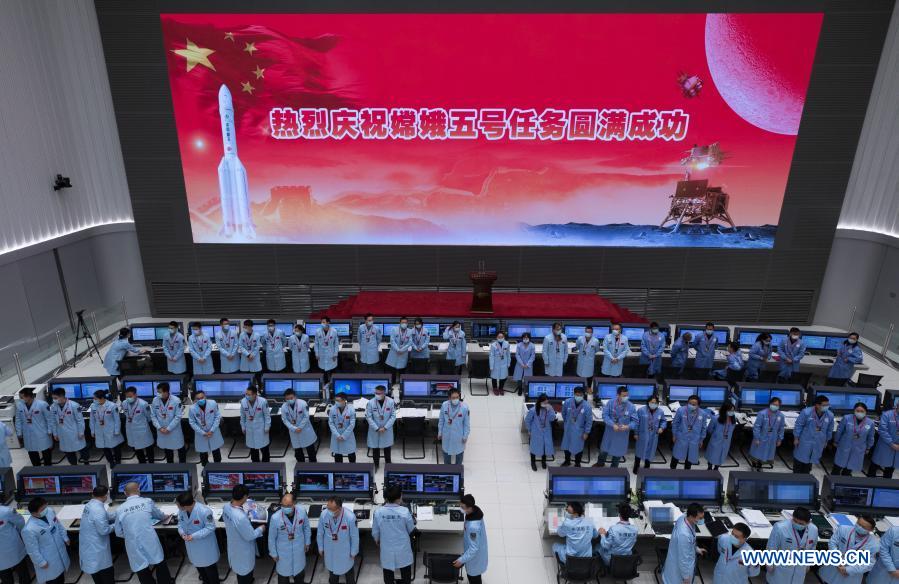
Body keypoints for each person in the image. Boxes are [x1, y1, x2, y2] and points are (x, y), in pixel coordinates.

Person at [114, 482, 172, 584]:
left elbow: (118, 532)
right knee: (159, 562)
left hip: (133, 543)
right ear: (139, 490)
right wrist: (166, 516)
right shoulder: (147, 502)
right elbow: (160, 516)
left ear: (124, 493)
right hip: (149, 539)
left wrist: (131, 535)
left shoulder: (119, 509)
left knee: (141, 568)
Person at [223, 484, 266, 584]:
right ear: (245, 497)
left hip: (234, 545)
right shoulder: (240, 517)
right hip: (243, 549)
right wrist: (261, 529)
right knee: (244, 573)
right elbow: (250, 536)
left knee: (240, 569)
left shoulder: (226, 507)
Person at [372, 485, 415, 584]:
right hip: (403, 549)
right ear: (399, 498)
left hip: (387, 549)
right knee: (405, 573)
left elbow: (375, 532)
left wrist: (377, 541)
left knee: (388, 573)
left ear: (386, 498)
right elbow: (411, 530)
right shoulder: (405, 511)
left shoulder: (378, 512)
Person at [819, 515, 878, 584]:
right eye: (858, 524)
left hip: (852, 574)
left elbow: (870, 564)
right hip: (834, 566)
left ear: (870, 530)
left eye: (863, 527)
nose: (859, 527)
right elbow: (832, 542)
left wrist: (848, 570)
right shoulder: (843, 529)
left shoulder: (874, 544)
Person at [22, 497, 70, 584]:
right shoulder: (29, 529)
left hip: (59, 552)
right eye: (43, 509)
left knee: (61, 578)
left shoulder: (50, 512)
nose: (46, 510)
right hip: (48, 560)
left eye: (45, 507)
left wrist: (65, 537)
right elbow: (32, 550)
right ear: (34, 513)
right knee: (53, 580)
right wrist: (41, 562)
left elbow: (58, 525)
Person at [176, 491, 220, 584]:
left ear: (186, 506)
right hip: (191, 546)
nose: (178, 508)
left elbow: (210, 527)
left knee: (210, 570)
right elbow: (180, 523)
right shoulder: (182, 511)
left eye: (179, 506)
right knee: (199, 568)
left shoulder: (204, 511)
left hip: (205, 547)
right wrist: (182, 533)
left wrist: (193, 536)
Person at [766, 507, 818, 584]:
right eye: (795, 521)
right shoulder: (780, 527)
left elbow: (813, 547)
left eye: (801, 524)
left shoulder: (814, 529)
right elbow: (771, 546)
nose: (797, 524)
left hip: (800, 568)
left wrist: (808, 563)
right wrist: (769, 564)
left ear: (808, 522)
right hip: (781, 568)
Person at [268, 493, 311, 584]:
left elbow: (306, 527)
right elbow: (271, 538)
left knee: (299, 576)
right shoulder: (275, 518)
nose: (285, 508)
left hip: (299, 549)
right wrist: (273, 553)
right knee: (283, 577)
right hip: (283, 553)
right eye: (283, 505)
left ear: (294, 503)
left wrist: (307, 542)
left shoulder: (302, 512)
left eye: (288, 506)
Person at [317, 495, 359, 584]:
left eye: (331, 509)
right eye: (328, 508)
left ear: (339, 508)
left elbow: (354, 536)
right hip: (330, 550)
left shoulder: (350, 517)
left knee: (349, 575)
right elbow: (320, 532)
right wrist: (320, 547)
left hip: (345, 551)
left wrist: (354, 552)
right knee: (332, 575)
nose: (329, 511)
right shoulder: (324, 514)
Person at [79, 486, 116, 584]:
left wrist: (119, 513)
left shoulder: (90, 504)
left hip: (89, 545)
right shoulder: (98, 509)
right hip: (97, 548)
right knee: (105, 574)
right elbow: (104, 530)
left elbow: (105, 516)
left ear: (93, 494)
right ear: (106, 496)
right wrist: (116, 524)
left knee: (96, 572)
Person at [662, 502, 705, 584]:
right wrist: (686, 577)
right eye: (700, 518)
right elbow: (683, 559)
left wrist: (696, 549)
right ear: (692, 517)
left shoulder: (684, 518)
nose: (702, 520)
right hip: (679, 570)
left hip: (677, 560)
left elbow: (689, 542)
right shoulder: (684, 534)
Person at [595, 385, 636, 468]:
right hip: (610, 432)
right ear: (618, 395)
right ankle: (600, 463)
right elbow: (605, 415)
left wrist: (628, 426)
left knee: (618, 452)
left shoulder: (631, 406)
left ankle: (614, 468)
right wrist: (612, 424)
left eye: (627, 395)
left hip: (622, 434)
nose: (626, 397)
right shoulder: (610, 403)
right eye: (624, 396)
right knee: (604, 450)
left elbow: (635, 421)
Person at [793, 395, 834, 473]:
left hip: (819, 441)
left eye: (828, 405)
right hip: (805, 440)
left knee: (810, 459)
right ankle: (796, 476)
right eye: (824, 405)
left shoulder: (830, 415)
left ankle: (806, 477)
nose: (827, 407)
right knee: (799, 460)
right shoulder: (806, 412)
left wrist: (826, 441)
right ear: (817, 405)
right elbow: (798, 425)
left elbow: (829, 429)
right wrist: (796, 438)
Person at [832, 402, 875, 476]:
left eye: (862, 411)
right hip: (844, 445)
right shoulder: (847, 418)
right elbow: (839, 431)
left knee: (849, 468)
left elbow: (871, 437)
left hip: (858, 448)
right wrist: (836, 441)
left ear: (866, 412)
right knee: (837, 467)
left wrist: (868, 448)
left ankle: (844, 483)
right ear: (854, 411)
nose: (859, 413)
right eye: (857, 411)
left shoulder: (870, 423)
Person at [453, 494, 488, 584]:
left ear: (469, 508)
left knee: (474, 578)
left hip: (474, 559)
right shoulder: (475, 511)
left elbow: (473, 549)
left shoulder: (473, 527)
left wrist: (461, 560)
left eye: (462, 507)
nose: (461, 508)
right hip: (476, 551)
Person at [14, 387, 53, 466]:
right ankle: (36, 469)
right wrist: (19, 432)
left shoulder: (42, 404)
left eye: (22, 397)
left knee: (46, 452)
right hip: (28, 434)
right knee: (32, 453)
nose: (21, 399)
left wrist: (50, 430)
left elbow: (49, 418)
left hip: (41, 432)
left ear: (29, 396)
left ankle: (48, 469)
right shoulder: (19, 405)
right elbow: (18, 420)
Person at [49, 386, 88, 464]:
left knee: (82, 449)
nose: (54, 400)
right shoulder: (53, 407)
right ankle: (74, 466)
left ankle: (86, 463)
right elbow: (53, 421)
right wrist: (55, 433)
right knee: (68, 451)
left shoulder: (74, 405)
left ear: (62, 396)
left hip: (75, 432)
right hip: (62, 433)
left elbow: (80, 420)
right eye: (53, 398)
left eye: (55, 398)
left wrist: (81, 432)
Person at [150, 382, 186, 462]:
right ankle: (170, 466)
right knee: (167, 449)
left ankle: (183, 466)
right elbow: (153, 416)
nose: (158, 394)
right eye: (157, 392)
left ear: (166, 392)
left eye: (160, 392)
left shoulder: (176, 401)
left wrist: (168, 428)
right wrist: (159, 428)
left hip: (174, 430)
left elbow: (178, 416)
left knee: (180, 448)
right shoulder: (155, 400)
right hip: (161, 430)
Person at [670, 394, 707, 469]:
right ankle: (672, 470)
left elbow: (704, 428)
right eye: (690, 404)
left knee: (690, 457)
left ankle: (687, 472)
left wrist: (701, 439)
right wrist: (674, 435)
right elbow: (675, 424)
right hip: (681, 437)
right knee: (676, 455)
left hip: (694, 439)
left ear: (698, 405)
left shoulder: (703, 414)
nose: (691, 405)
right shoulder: (681, 410)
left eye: (694, 404)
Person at [596, 503, 638, 568]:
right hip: (627, 559)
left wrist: (602, 534)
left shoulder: (613, 529)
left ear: (619, 514)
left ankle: (599, 567)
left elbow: (605, 546)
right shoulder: (635, 529)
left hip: (612, 560)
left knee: (597, 547)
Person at [189, 388, 224, 465]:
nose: (200, 400)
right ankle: (205, 468)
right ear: (194, 400)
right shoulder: (192, 408)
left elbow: (217, 417)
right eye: (198, 399)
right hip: (201, 433)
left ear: (205, 397)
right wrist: (202, 433)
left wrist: (212, 430)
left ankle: (218, 467)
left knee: (216, 450)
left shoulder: (212, 403)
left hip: (213, 431)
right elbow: (192, 422)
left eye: (202, 397)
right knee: (203, 452)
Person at [281, 387, 317, 462]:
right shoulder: (284, 407)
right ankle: (301, 466)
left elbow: (306, 416)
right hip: (293, 431)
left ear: (295, 396)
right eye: (287, 399)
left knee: (310, 450)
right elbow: (285, 420)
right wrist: (293, 428)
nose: (289, 400)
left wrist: (300, 427)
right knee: (298, 452)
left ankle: (313, 466)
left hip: (305, 430)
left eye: (291, 398)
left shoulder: (303, 403)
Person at [749, 397, 785, 470]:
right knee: (756, 452)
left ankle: (760, 466)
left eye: (777, 405)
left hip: (772, 438)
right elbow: (757, 427)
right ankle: (753, 465)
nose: (775, 406)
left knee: (765, 454)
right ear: (770, 404)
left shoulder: (781, 416)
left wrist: (780, 439)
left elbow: (781, 428)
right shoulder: (762, 413)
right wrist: (757, 438)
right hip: (761, 437)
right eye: (773, 404)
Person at [89, 389, 123, 465]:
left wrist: (117, 430)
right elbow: (92, 420)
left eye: (95, 398)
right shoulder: (93, 406)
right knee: (104, 447)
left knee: (115, 447)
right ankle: (111, 462)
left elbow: (117, 420)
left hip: (111, 430)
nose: (94, 400)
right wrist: (92, 431)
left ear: (102, 398)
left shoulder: (112, 406)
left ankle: (118, 461)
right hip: (99, 430)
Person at [122, 386, 155, 463]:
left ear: (135, 395)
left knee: (148, 447)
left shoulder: (143, 404)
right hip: (130, 429)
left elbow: (149, 417)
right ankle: (142, 463)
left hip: (142, 430)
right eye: (127, 396)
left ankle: (151, 464)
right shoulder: (124, 403)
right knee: (137, 449)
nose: (128, 398)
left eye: (130, 396)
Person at [560, 386, 592, 467]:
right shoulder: (567, 402)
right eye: (577, 395)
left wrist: (586, 432)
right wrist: (567, 422)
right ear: (574, 394)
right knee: (566, 446)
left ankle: (577, 463)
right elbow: (563, 413)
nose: (578, 397)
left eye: (580, 395)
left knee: (578, 447)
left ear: (583, 395)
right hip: (568, 428)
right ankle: (567, 461)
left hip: (579, 431)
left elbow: (589, 421)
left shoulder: (587, 406)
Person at [633, 395, 666, 473]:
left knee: (650, 451)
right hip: (642, 434)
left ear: (658, 403)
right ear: (648, 402)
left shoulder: (660, 411)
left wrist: (662, 428)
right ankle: (636, 466)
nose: (653, 404)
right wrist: (635, 433)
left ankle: (647, 467)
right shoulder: (641, 410)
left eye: (655, 402)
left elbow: (663, 421)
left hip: (654, 435)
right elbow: (636, 423)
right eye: (652, 402)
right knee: (639, 451)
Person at [366, 385, 396, 469]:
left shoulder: (391, 402)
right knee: (375, 448)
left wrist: (385, 427)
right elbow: (368, 417)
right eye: (376, 393)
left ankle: (388, 464)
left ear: (384, 393)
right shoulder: (370, 402)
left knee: (387, 448)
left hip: (386, 429)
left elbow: (393, 416)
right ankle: (376, 465)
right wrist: (377, 428)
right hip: (374, 429)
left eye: (379, 393)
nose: (377, 395)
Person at [869, 396, 899, 478]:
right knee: (875, 464)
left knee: (890, 467)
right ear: (897, 406)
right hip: (885, 445)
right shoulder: (887, 415)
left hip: (898, 448)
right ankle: (870, 481)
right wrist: (892, 444)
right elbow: (882, 430)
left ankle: (886, 485)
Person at [438, 388, 470, 464]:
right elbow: (441, 420)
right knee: (446, 453)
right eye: (453, 398)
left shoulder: (465, 408)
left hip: (458, 435)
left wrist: (465, 436)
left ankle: (457, 471)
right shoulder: (444, 405)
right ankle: (448, 471)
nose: (456, 399)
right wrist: (440, 432)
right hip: (447, 434)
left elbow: (466, 424)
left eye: (457, 397)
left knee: (459, 454)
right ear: (449, 398)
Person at [0, 498, 28, 584]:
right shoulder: (5, 511)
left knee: (5, 578)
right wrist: (21, 534)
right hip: (13, 549)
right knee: (23, 573)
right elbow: (21, 523)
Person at [241, 385, 271, 462]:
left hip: (261, 428)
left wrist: (267, 427)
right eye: (246, 394)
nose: (247, 396)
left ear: (255, 394)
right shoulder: (243, 401)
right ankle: (255, 464)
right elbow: (242, 416)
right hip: (249, 428)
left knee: (264, 448)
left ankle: (266, 464)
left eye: (249, 394)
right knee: (253, 448)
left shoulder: (263, 401)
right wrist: (243, 427)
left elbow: (267, 416)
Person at [525, 394, 554, 471]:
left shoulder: (549, 409)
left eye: (546, 403)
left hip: (546, 431)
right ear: (540, 402)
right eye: (544, 403)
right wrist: (529, 430)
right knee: (534, 447)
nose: (545, 404)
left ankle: (543, 461)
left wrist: (550, 410)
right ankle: (533, 462)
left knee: (544, 447)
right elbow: (527, 420)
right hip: (536, 431)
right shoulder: (533, 410)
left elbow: (552, 418)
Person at [704, 400, 736, 470]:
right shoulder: (716, 418)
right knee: (712, 454)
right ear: (724, 410)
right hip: (716, 440)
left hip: (726, 441)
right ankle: (709, 467)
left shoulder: (733, 419)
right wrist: (716, 435)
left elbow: (732, 429)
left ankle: (716, 468)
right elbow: (709, 429)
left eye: (733, 411)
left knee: (721, 455)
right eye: (730, 410)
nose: (732, 412)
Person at [329, 392, 357, 463]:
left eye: (338, 400)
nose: (336, 402)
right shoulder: (332, 409)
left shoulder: (351, 410)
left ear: (344, 400)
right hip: (336, 435)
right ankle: (339, 471)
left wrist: (344, 436)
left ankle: (353, 469)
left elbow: (352, 424)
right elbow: (331, 423)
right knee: (338, 454)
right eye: (336, 400)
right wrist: (337, 435)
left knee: (351, 453)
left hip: (348, 435)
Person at [385, 317, 412, 384]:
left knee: (402, 372)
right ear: (399, 323)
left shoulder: (410, 331)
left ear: (407, 323)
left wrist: (402, 350)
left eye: (405, 323)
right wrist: (397, 349)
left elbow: (410, 342)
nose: (404, 324)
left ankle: (401, 387)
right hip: (394, 353)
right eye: (403, 322)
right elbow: (392, 340)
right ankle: (392, 385)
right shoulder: (394, 330)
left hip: (403, 353)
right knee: (392, 373)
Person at [314, 317, 340, 382]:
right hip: (321, 355)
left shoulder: (334, 331)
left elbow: (336, 344)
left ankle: (333, 385)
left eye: (324, 322)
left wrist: (335, 354)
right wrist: (316, 354)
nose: (322, 323)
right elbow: (316, 344)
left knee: (333, 373)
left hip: (331, 355)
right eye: (321, 322)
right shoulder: (318, 331)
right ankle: (325, 385)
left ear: (328, 323)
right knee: (323, 373)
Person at [488, 331, 511, 395]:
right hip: (496, 363)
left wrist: (508, 363)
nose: (500, 338)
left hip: (504, 362)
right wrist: (491, 366)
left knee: (503, 376)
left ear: (504, 337)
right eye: (499, 337)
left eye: (502, 337)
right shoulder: (493, 345)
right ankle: (495, 388)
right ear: (496, 337)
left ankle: (501, 388)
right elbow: (491, 356)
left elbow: (508, 354)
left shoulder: (507, 344)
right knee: (494, 377)